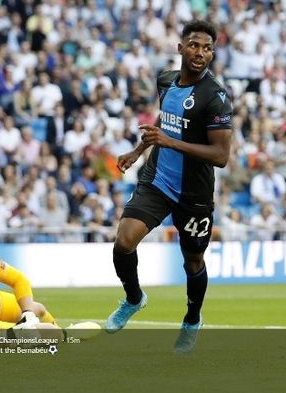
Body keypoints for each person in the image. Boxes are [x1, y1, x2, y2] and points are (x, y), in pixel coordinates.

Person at [105, 20, 233, 354]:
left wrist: (169, 142)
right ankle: (134, 299)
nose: (200, 53)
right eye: (194, 45)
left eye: (207, 48)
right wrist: (138, 151)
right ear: (180, 48)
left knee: (192, 262)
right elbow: (167, 120)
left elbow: (221, 156)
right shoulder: (166, 80)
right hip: (158, 179)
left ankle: (192, 319)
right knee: (124, 241)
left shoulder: (216, 98)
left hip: (194, 194)